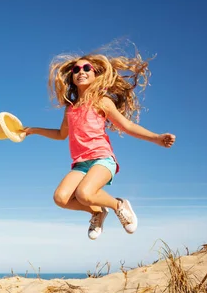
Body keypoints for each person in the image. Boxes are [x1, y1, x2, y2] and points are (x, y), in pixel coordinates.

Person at [23, 43, 175, 240]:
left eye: (87, 68)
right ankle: (97, 212)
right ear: (72, 77)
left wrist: (156, 138)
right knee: (61, 198)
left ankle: (119, 205)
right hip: (80, 164)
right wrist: (34, 130)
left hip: (102, 159)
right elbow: (61, 134)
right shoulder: (70, 109)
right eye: (76, 69)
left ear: (95, 74)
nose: (81, 71)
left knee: (84, 194)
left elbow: (127, 126)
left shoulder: (102, 101)